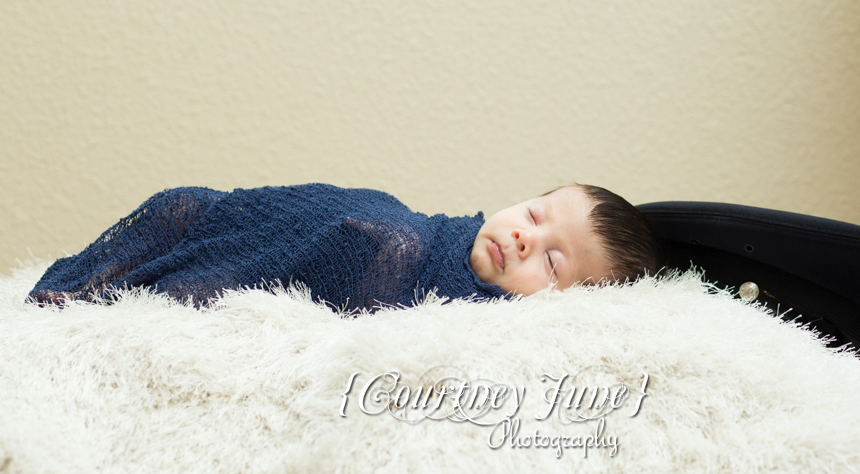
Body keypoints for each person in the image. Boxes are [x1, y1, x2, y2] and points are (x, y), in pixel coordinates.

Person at [27, 183, 661, 313]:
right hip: (215, 216)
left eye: (552, 261)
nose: (525, 237)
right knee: (180, 211)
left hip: (352, 250)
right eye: (534, 213)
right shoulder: (416, 238)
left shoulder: (453, 306)